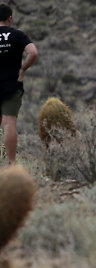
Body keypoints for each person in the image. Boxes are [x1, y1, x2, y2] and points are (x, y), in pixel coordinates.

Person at [0, 4, 38, 165]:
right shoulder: (17, 35)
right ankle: (11, 164)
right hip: (12, 84)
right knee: (9, 123)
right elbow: (33, 52)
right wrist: (22, 69)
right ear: (10, 18)